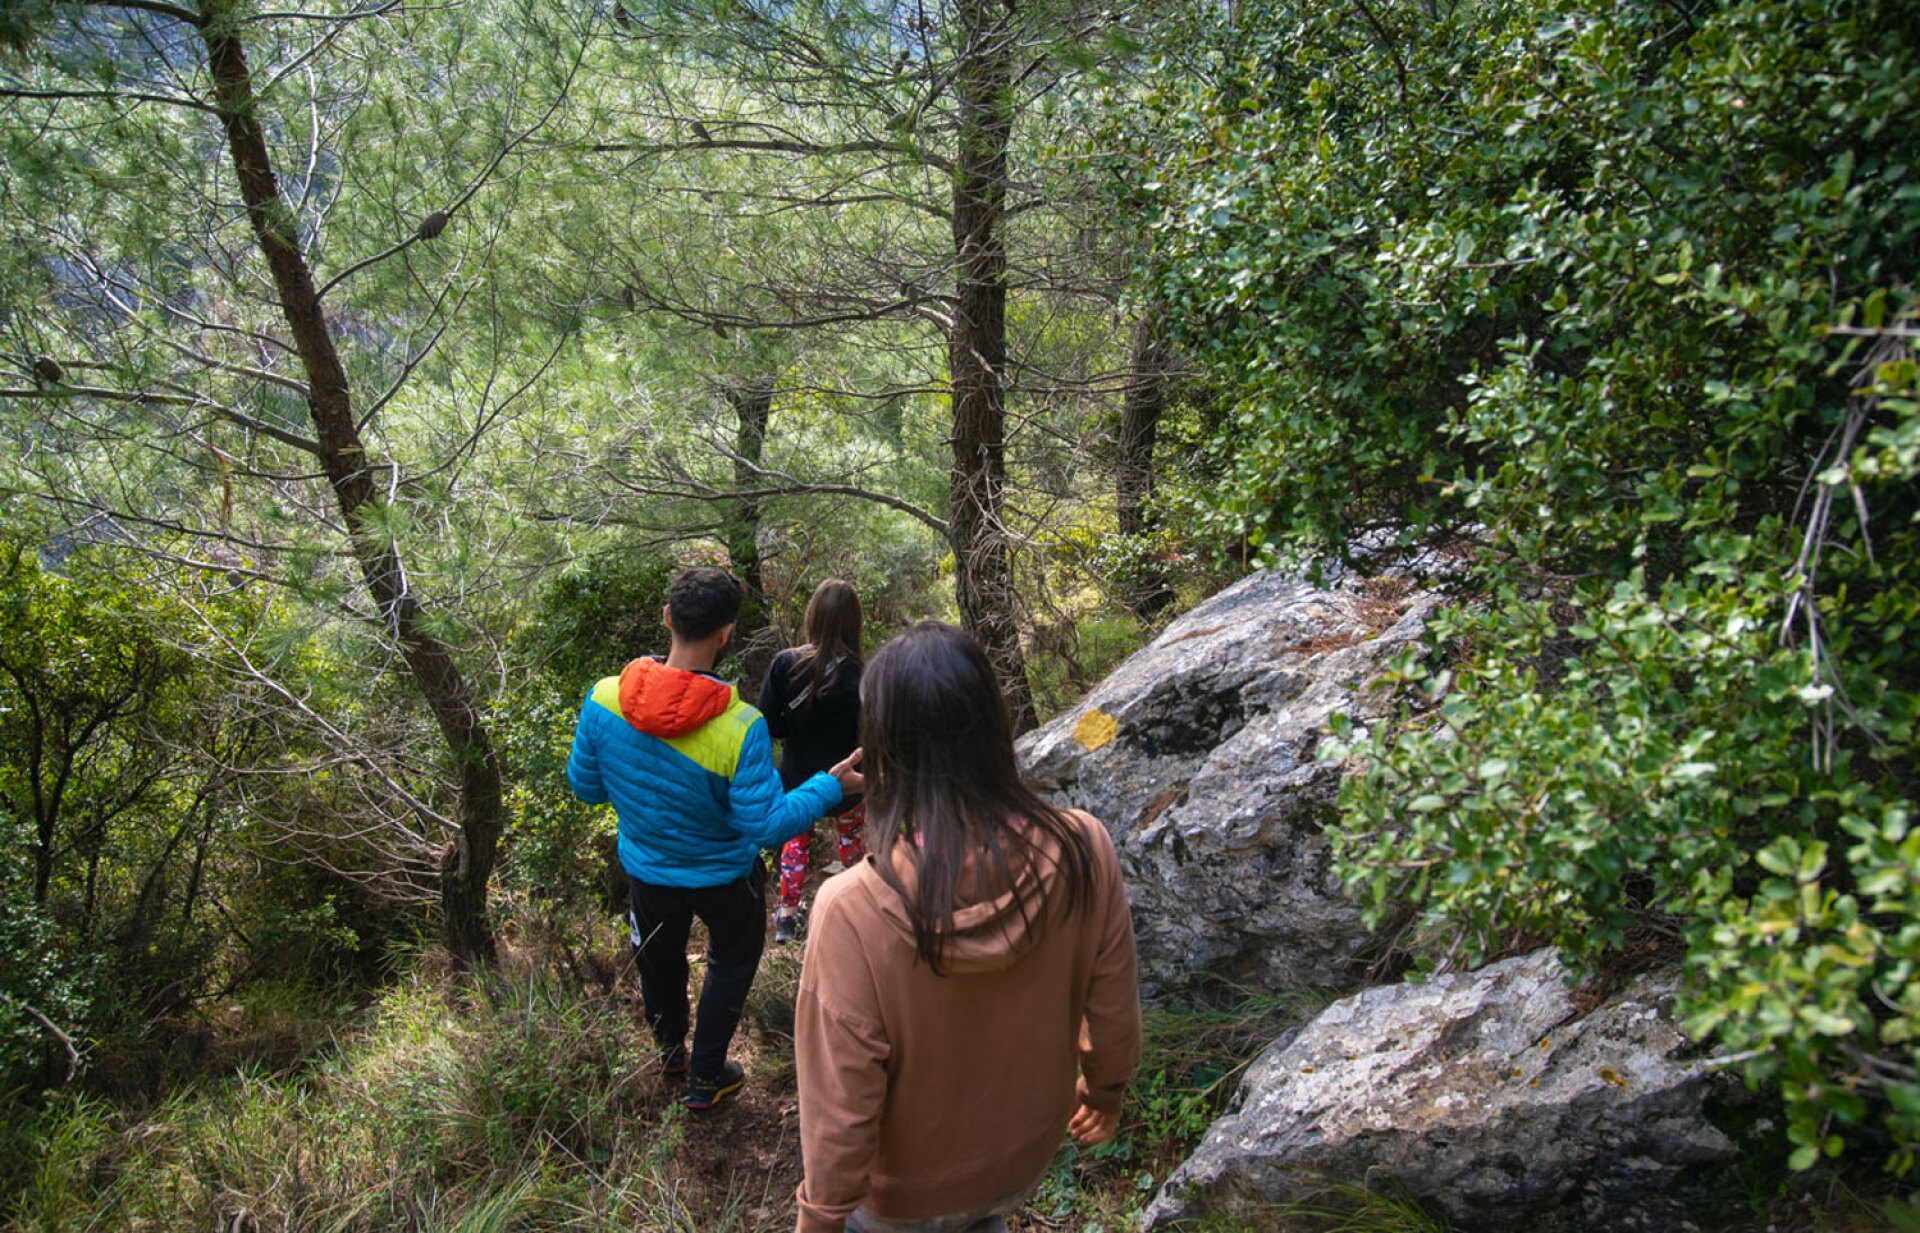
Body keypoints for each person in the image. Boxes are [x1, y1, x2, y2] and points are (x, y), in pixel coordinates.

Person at [793, 621, 1141, 1233]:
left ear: (881, 743)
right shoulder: (1085, 847)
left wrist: (818, 1220)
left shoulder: (851, 910)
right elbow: (1111, 1003)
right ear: (992, 721)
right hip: (1022, 1156)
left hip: (901, 1195)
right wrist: (1105, 1091)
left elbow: (841, 1115)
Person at [567, 566, 864, 1112]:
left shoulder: (605, 697)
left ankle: (669, 1053)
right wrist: (828, 786)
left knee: (659, 960)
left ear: (666, 618)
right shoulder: (738, 726)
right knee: (730, 961)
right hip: (724, 877)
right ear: (727, 633)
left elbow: (585, 787)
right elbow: (767, 826)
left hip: (647, 871)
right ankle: (707, 1075)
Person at [760, 578, 867, 943]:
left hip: (798, 780)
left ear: (813, 616)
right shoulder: (862, 673)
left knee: (795, 842)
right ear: (855, 621)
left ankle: (787, 915)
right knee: (852, 839)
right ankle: (861, 904)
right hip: (848, 784)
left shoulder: (784, 664)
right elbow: (868, 735)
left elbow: (769, 724)